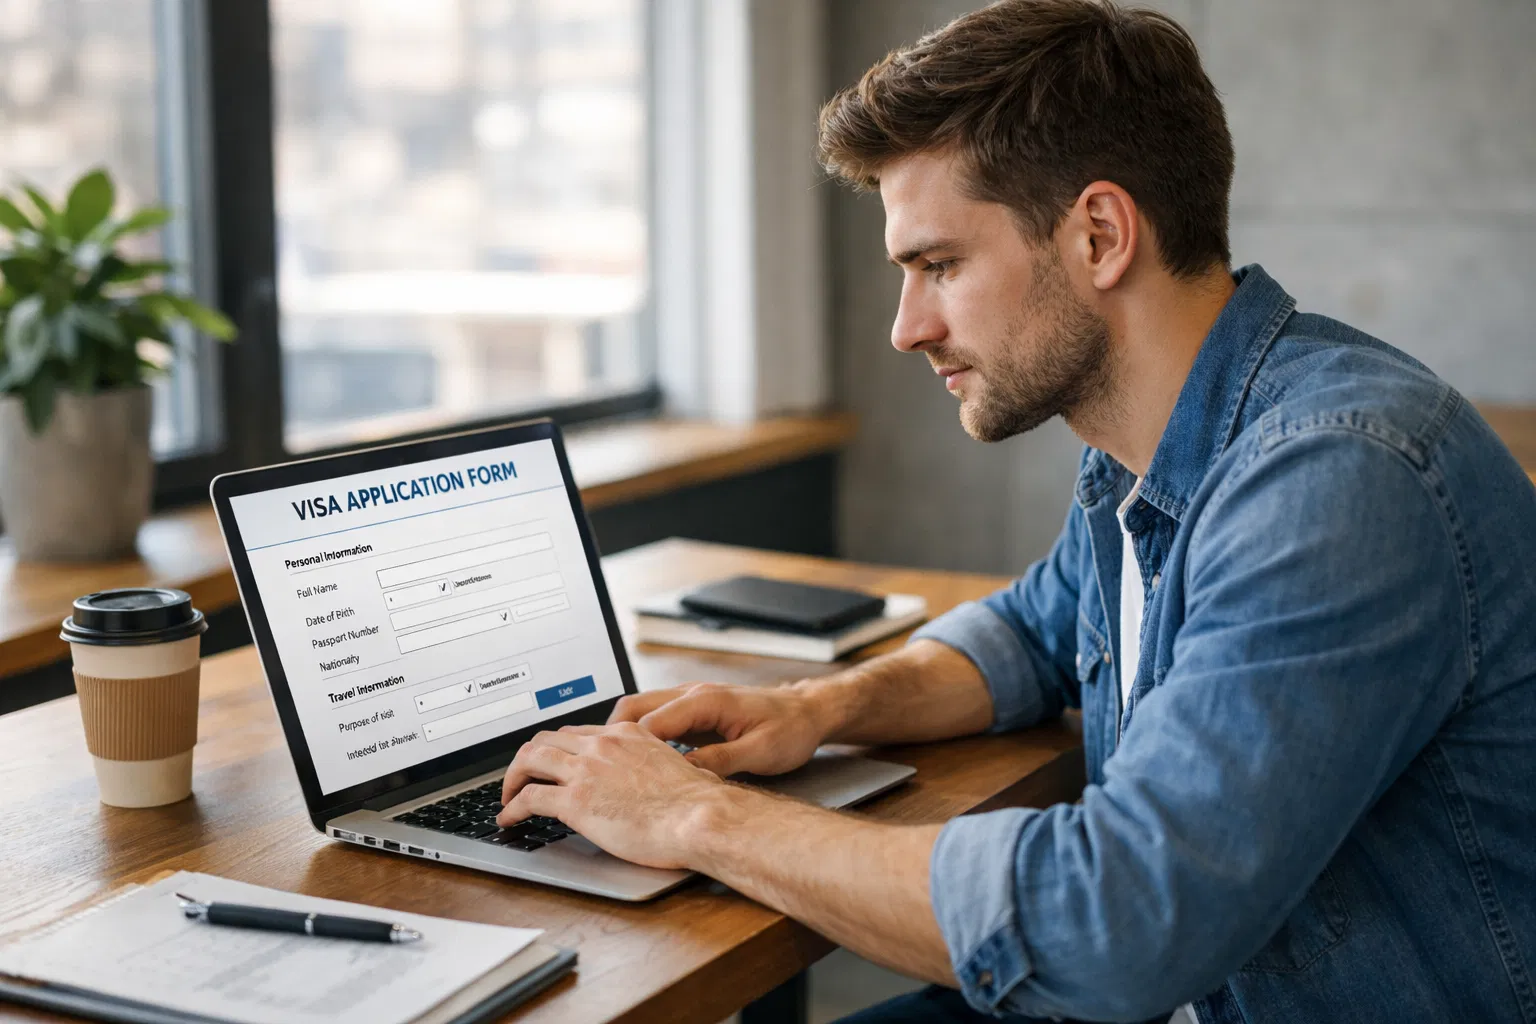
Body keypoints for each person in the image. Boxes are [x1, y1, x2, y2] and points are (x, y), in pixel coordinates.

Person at [496, 1, 1536, 1020]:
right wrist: (812, 710)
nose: (908, 327)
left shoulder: (1335, 480)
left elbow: (1119, 920)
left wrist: (693, 815)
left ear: (1097, 234)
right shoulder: (1151, 446)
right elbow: (1033, 630)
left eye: (939, 265)